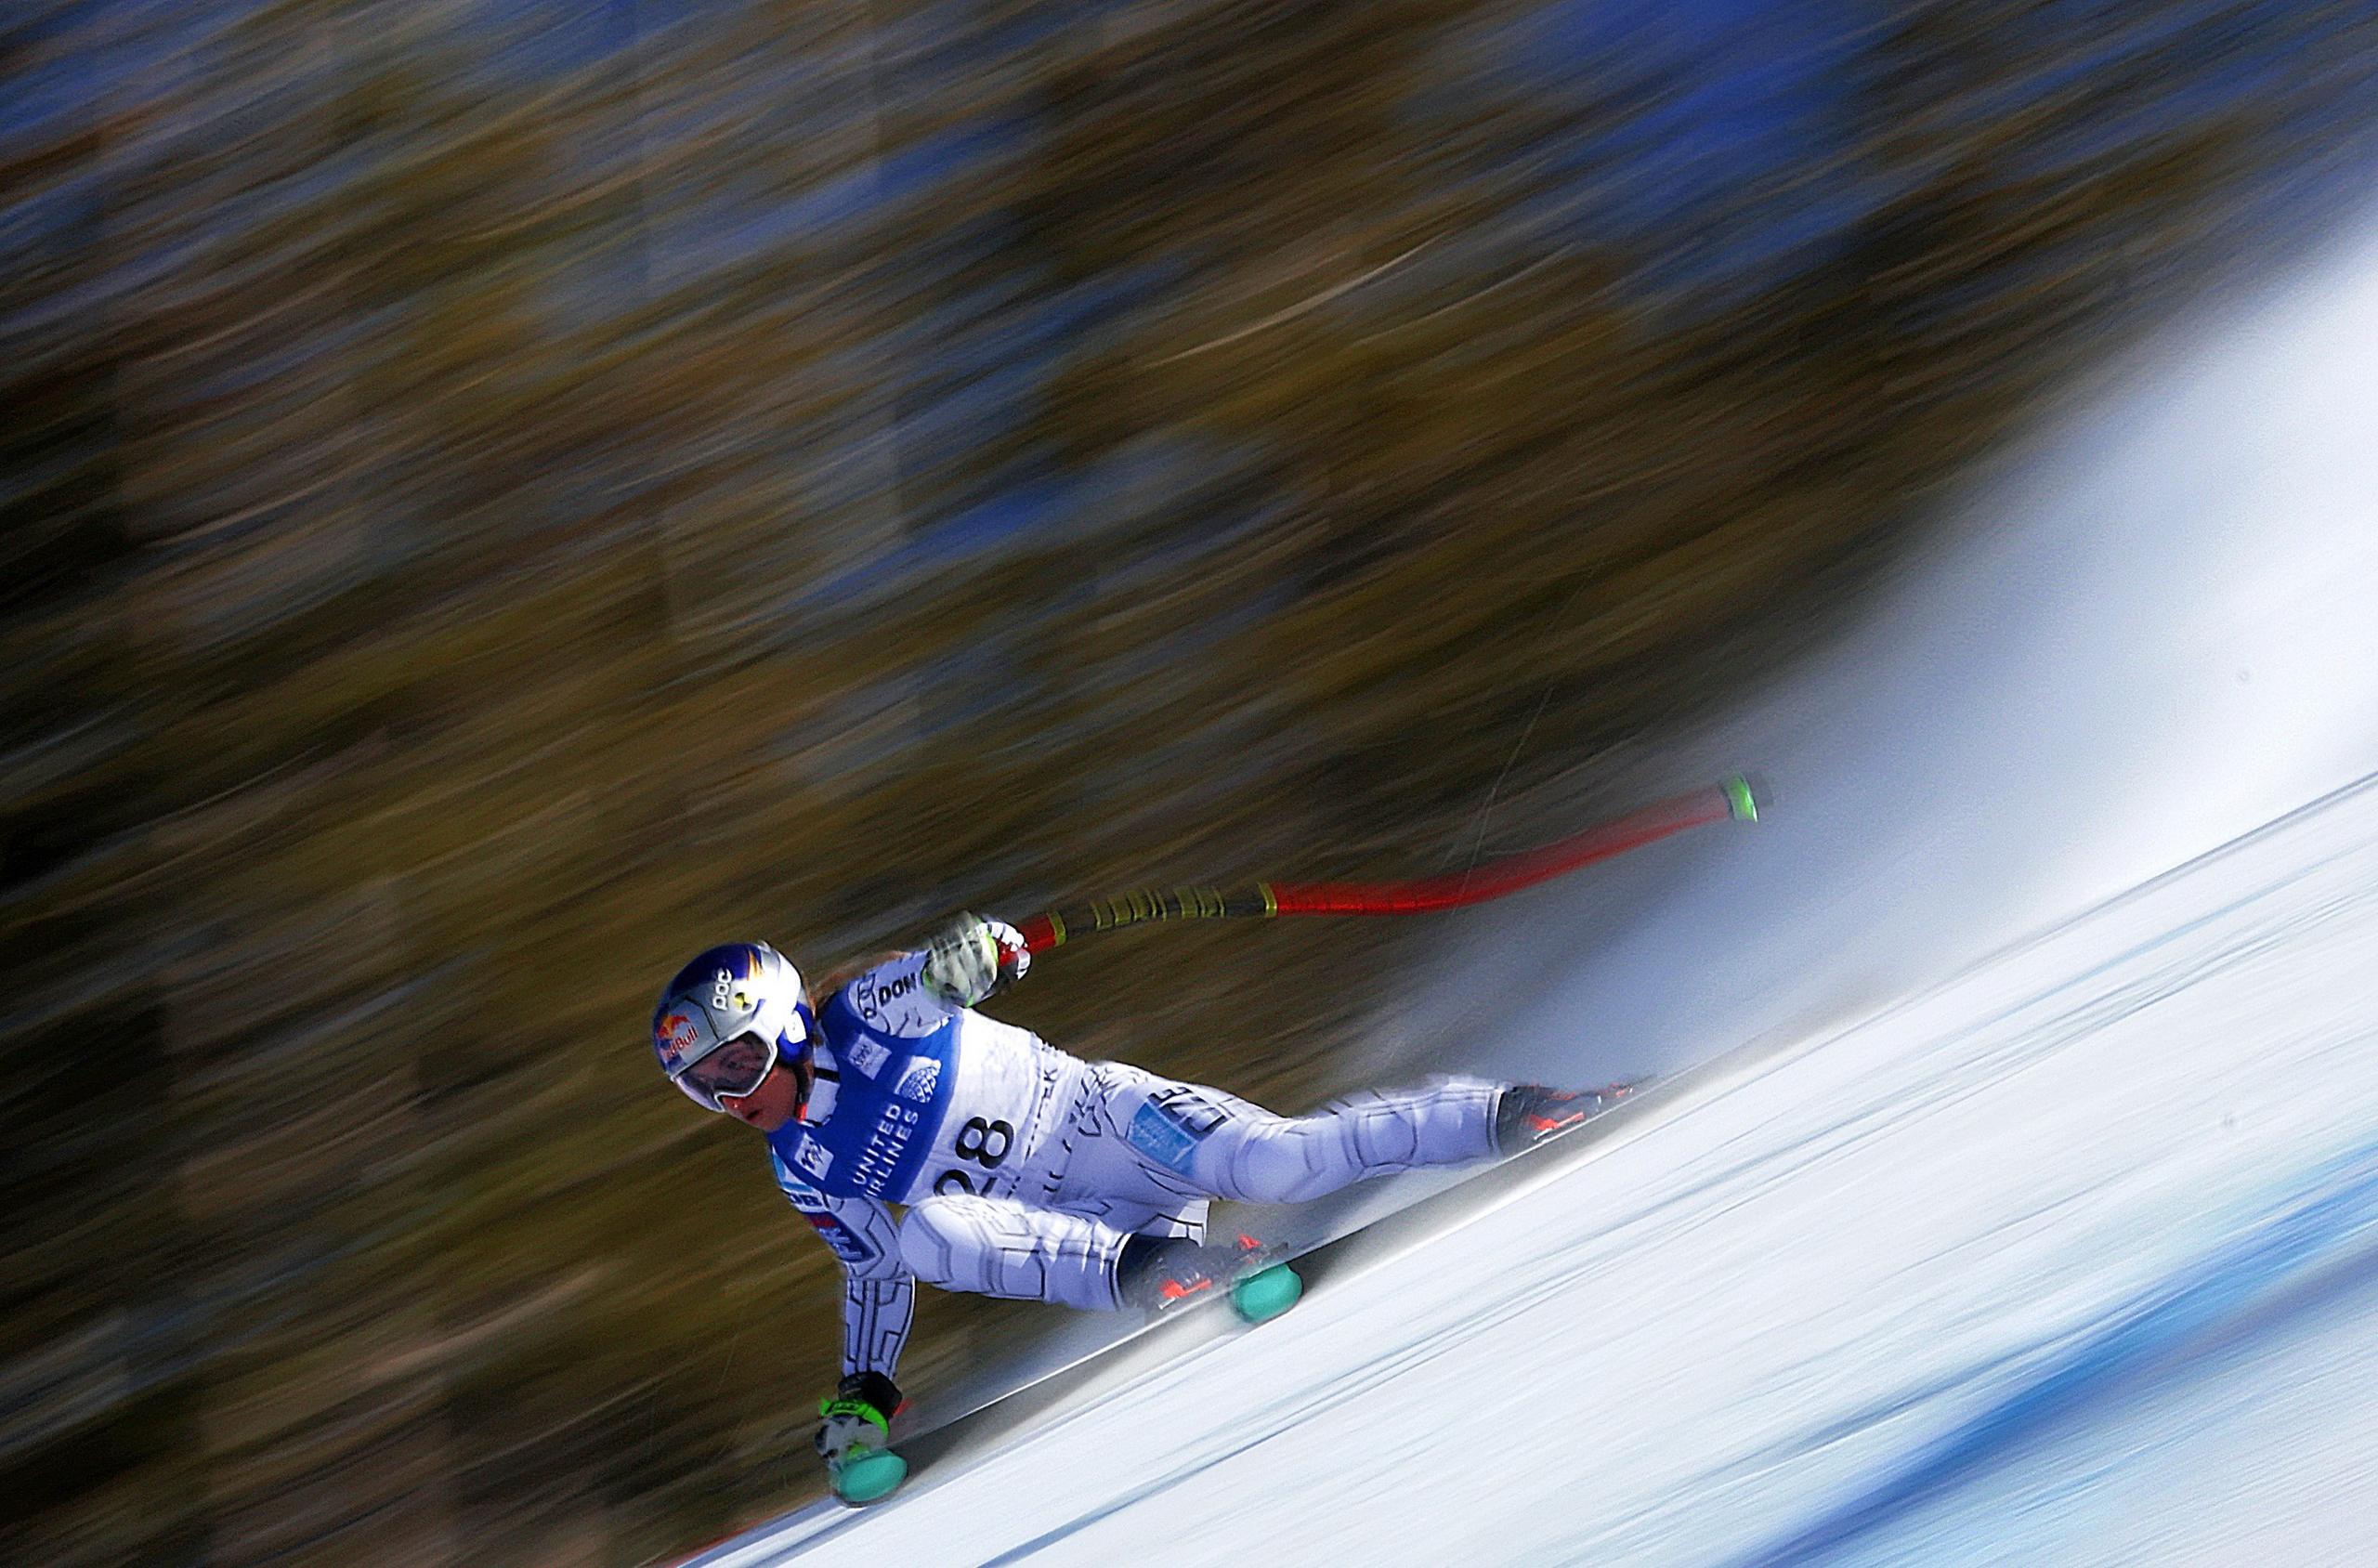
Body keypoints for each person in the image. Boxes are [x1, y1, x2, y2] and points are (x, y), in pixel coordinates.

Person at [647, 919, 1625, 1472]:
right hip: (1097, 1232)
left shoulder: (863, 1015)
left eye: (733, 1063)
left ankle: (1511, 1111)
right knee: (927, 1235)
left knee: (1277, 1166)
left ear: (780, 1027)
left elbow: (934, 979)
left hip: (1107, 1122)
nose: (729, 1097)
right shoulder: (802, 1165)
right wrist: (864, 1389)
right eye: (703, 1086)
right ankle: (1161, 1268)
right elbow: (868, 1271)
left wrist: (974, 953)